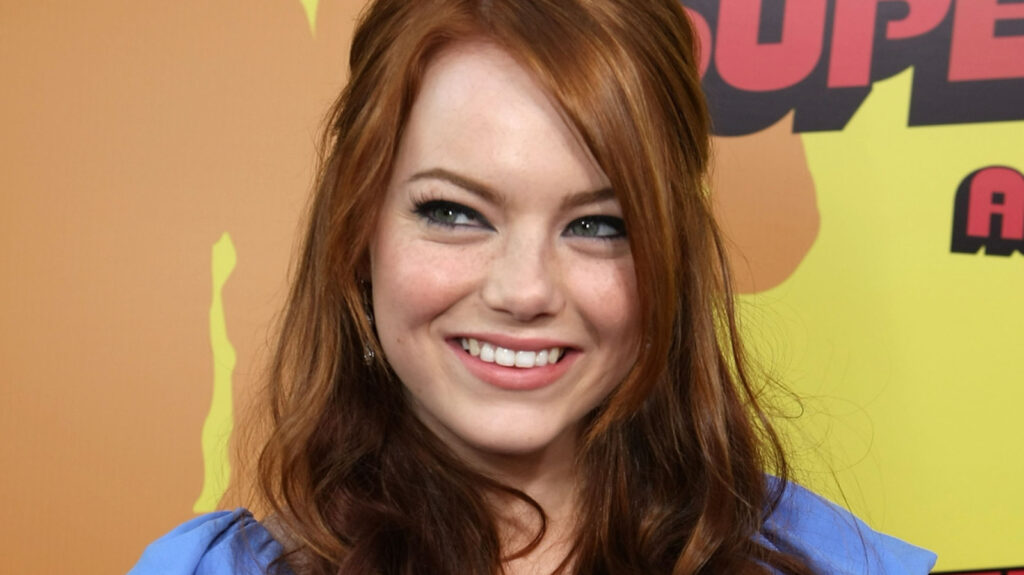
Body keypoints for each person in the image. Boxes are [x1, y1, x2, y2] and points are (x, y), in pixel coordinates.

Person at [131, 0, 937, 573]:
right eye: (453, 212)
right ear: (359, 231)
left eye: (599, 224)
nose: (524, 291)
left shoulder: (835, 563)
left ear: (669, 254)